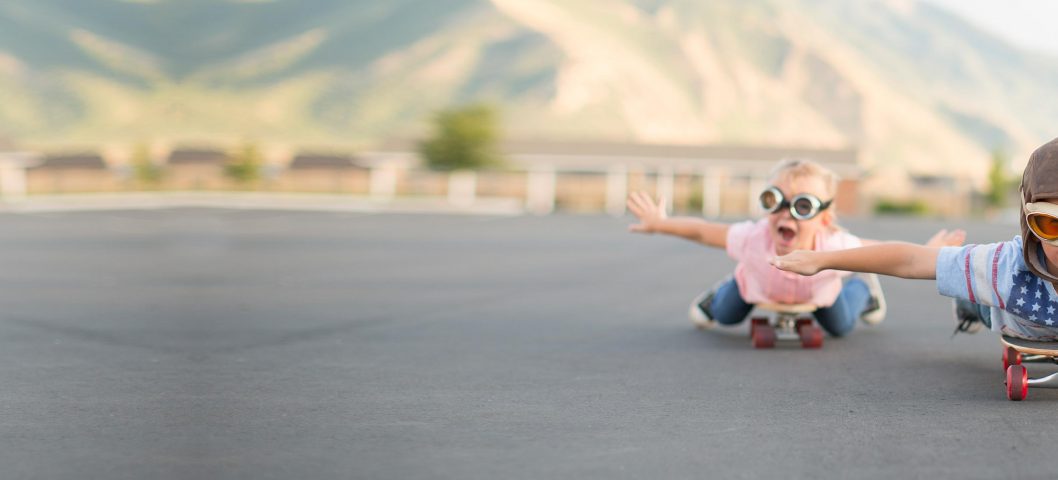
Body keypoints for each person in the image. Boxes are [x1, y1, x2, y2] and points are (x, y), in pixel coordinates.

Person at [628, 158, 964, 337]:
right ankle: (724, 289)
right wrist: (661, 224)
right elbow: (704, 232)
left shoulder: (834, 243)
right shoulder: (753, 237)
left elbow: (886, 254)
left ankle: (863, 288)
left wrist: (928, 252)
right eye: (774, 201)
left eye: (802, 206)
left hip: (817, 295)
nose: (785, 213)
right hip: (757, 287)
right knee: (725, 316)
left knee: (841, 326)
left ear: (824, 217)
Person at [770, 138, 1058, 341]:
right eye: (1050, 224)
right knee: (976, 292)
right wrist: (821, 260)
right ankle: (965, 302)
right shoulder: (1004, 267)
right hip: (1005, 313)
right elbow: (909, 261)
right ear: (1028, 224)